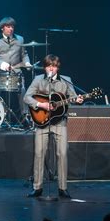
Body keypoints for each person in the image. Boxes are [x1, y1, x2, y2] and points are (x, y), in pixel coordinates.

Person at [24, 54, 83, 199]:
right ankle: (37, 187)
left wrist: (78, 100)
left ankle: (62, 188)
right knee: (39, 153)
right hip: (41, 122)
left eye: (54, 66)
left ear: (58, 67)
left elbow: (73, 97)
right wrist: (40, 104)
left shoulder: (66, 81)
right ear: (45, 67)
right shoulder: (38, 79)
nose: (51, 68)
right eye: (49, 66)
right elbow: (27, 97)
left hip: (60, 122)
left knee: (62, 154)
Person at [0, 17, 32, 121]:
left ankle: (25, 116)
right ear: (2, 28)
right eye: (8, 27)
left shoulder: (20, 39)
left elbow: (24, 54)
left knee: (22, 90)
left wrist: (27, 63)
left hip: (16, 72)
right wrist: (2, 64)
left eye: (12, 26)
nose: (11, 29)